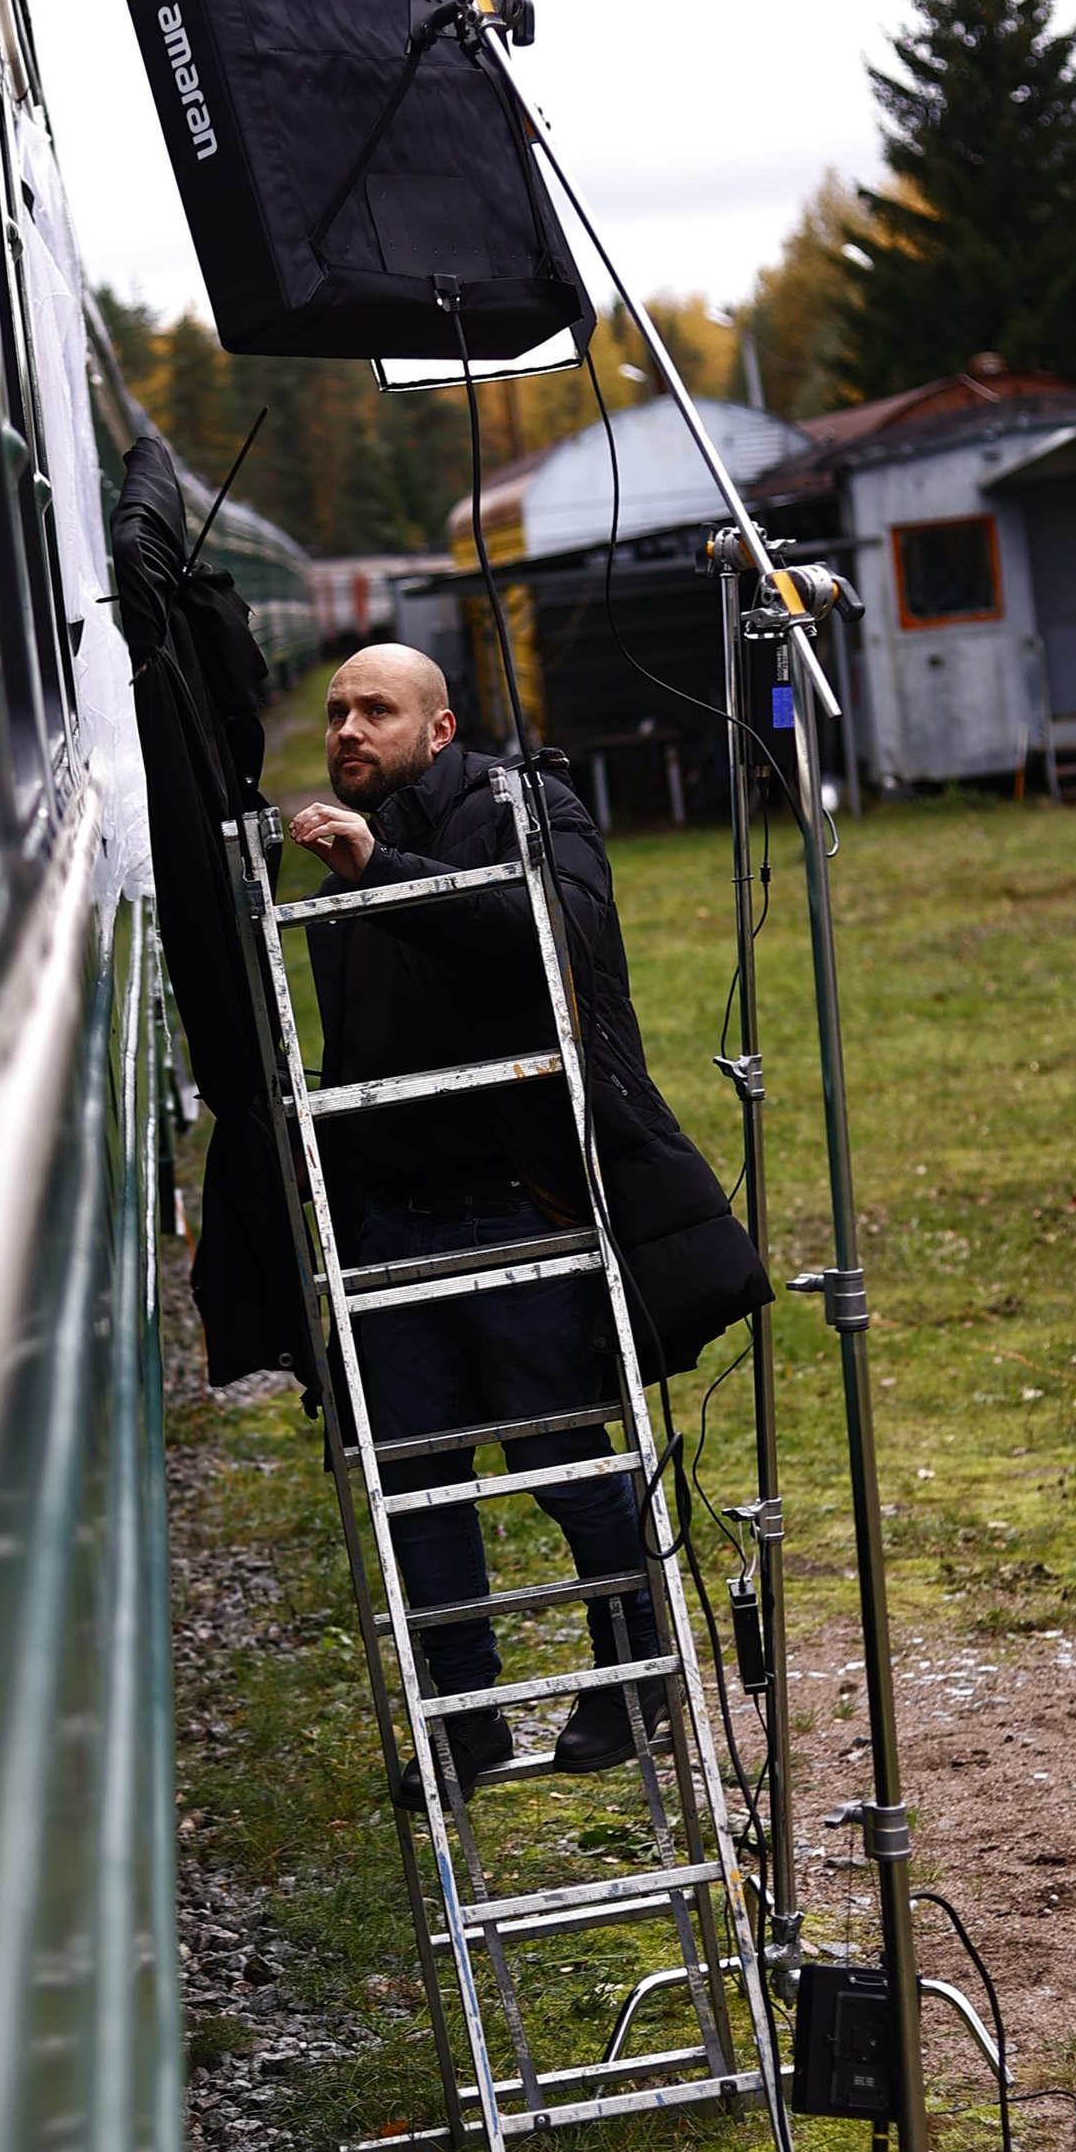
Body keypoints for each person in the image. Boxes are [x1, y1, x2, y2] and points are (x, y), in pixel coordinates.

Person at [291, 645, 766, 1784]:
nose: (348, 730)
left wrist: (383, 870)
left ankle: (632, 1669)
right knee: (420, 1487)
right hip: (394, 1228)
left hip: (517, 1208)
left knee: (561, 1458)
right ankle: (465, 1718)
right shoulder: (338, 881)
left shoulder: (525, 804)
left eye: (376, 711)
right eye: (336, 713)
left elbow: (552, 941)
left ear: (440, 729)